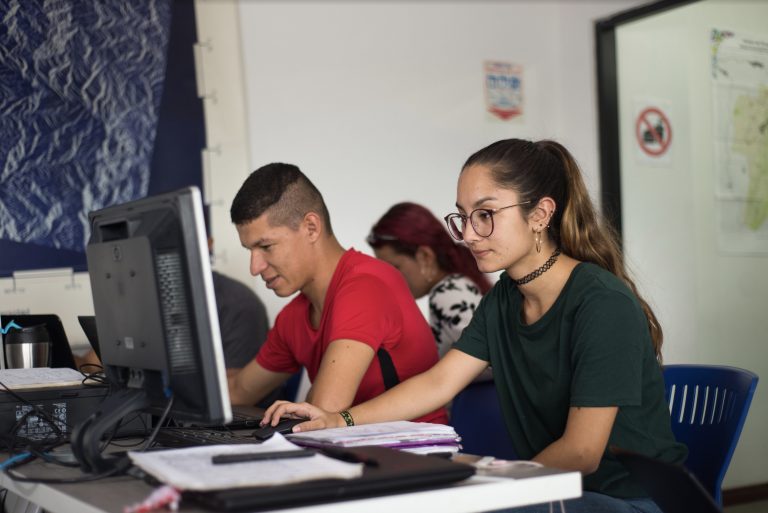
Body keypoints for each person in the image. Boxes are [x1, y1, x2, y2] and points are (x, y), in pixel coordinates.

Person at [263, 139, 687, 513]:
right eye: (463, 217)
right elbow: (438, 384)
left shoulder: (601, 303)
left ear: (540, 214)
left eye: (484, 215)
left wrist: (487, 481)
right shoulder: (506, 296)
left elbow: (581, 452)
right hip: (558, 490)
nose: (467, 234)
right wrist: (338, 421)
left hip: (632, 502)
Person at [226, 163, 447, 424]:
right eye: (249, 250)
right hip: (354, 455)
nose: (255, 267)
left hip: (417, 457)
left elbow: (324, 410)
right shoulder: (293, 318)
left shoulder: (367, 285)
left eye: (266, 246)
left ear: (311, 227)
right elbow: (238, 391)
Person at [367, 202, 492, 359]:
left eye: (395, 267)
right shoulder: (457, 285)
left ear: (425, 256)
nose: (389, 280)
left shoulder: (447, 293)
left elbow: (492, 359)